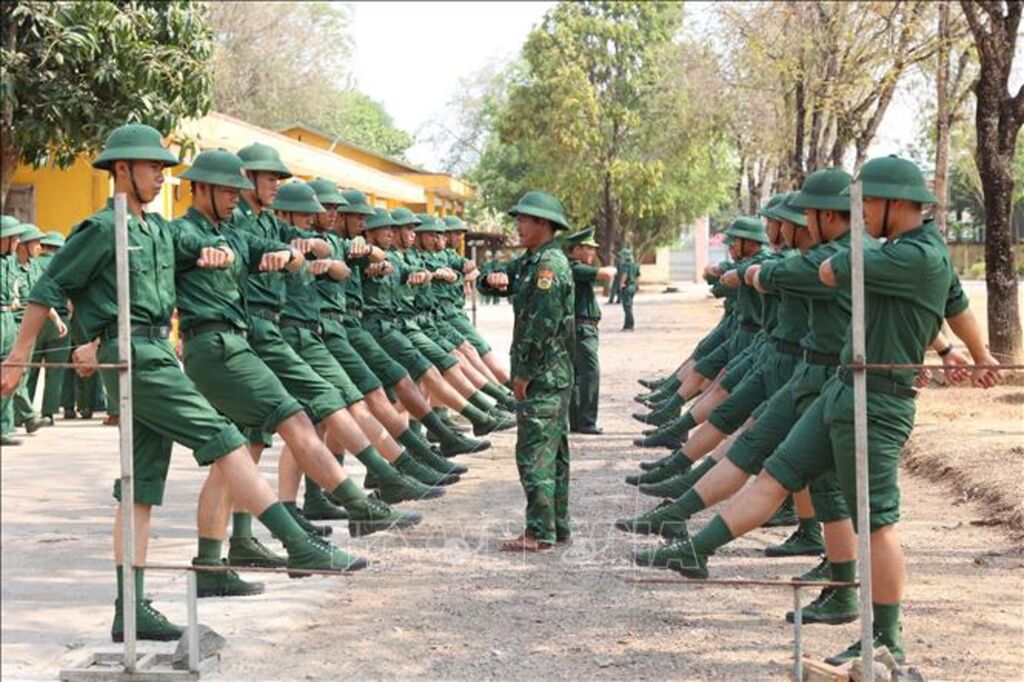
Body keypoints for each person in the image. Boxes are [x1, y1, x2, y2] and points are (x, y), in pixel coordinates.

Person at [0, 124, 370, 642]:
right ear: (122, 169)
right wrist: (20, 356)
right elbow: (51, 286)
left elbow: (198, 246)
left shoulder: (158, 230)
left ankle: (131, 610)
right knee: (225, 440)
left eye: (162, 168)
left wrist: (214, 253)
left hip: (153, 350)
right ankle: (297, 544)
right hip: (135, 358)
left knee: (140, 488)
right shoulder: (102, 229)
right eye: (152, 167)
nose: (161, 176)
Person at [666, 156, 1002, 665]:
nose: (861, 214)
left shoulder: (912, 257)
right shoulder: (913, 251)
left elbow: (830, 269)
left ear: (896, 204)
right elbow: (956, 308)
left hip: (877, 401)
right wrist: (975, 355)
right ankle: (698, 549)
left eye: (868, 204)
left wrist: (972, 353)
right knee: (775, 474)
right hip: (844, 389)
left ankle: (886, 637)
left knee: (876, 523)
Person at [479, 191, 575, 552]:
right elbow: (494, 277)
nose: (518, 226)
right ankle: (557, 525)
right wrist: (490, 280)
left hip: (544, 374)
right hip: (551, 374)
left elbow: (542, 326)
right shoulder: (532, 261)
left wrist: (524, 373)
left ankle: (538, 532)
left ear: (543, 223)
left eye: (523, 220)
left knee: (534, 452)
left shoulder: (549, 268)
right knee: (553, 452)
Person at [563, 227, 615, 434]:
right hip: (582, 329)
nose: (593, 253)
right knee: (590, 374)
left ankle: (578, 421)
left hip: (583, 328)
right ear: (576, 249)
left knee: (577, 375)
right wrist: (614, 269)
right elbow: (604, 273)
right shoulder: (575, 268)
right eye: (589, 248)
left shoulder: (575, 267)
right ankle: (586, 421)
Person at [26, 231, 70, 425]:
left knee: (29, 368)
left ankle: (24, 412)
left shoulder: (32, 264)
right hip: (59, 320)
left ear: (43, 246)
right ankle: (49, 413)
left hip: (33, 318)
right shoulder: (65, 265)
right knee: (55, 370)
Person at [1, 216, 33, 445]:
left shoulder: (10, 262)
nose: (17, 242)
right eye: (13, 237)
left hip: (8, 319)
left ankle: (4, 426)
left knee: (10, 371)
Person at [618, 247, 639, 330]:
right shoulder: (635, 265)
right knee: (629, 306)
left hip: (627, 287)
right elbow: (638, 276)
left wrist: (621, 284)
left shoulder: (625, 265)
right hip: (633, 287)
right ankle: (627, 325)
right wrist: (637, 286)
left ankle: (629, 325)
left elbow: (625, 275)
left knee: (627, 307)